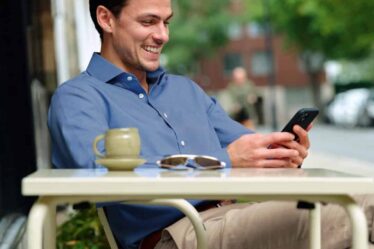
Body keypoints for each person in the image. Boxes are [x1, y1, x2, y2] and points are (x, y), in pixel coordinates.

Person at [47, 0, 374, 248]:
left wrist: (279, 151)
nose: (163, 35)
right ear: (106, 19)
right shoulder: (78, 98)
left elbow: (249, 149)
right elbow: (95, 176)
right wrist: (224, 162)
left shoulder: (184, 90)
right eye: (149, 21)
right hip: (178, 235)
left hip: (240, 215)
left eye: (166, 22)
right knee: (354, 210)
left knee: (358, 201)